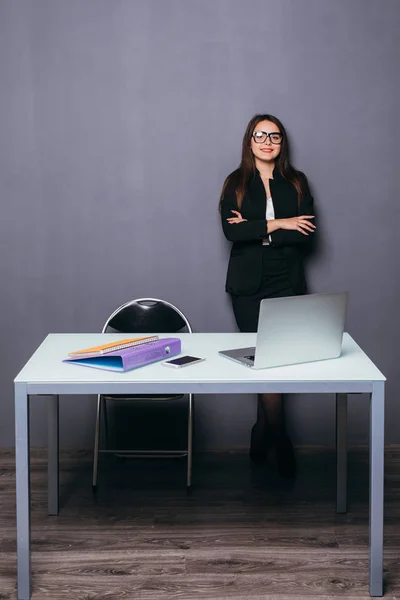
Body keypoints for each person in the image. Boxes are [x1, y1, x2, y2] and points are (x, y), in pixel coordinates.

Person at [219, 113, 316, 478]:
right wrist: (282, 223)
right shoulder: (236, 182)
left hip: (287, 281)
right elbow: (232, 235)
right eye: (260, 135)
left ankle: (262, 432)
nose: (267, 141)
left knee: (279, 362)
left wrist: (257, 230)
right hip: (248, 287)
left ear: (281, 142)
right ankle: (280, 438)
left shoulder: (296, 182)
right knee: (263, 361)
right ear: (249, 141)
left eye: (274, 136)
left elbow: (307, 235)